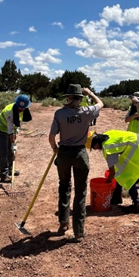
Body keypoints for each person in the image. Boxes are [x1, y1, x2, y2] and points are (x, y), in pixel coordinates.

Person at [49, 84, 103, 241]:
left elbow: (51, 137)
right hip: (80, 153)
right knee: (80, 192)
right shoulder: (86, 112)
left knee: (64, 186)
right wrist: (90, 93)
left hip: (64, 153)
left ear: (68, 97)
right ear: (80, 98)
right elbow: (101, 103)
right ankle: (79, 231)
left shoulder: (59, 113)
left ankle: (63, 222)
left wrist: (55, 149)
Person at [90, 130, 139, 214]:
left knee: (127, 175)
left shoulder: (108, 148)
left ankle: (137, 204)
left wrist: (107, 184)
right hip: (138, 140)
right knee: (120, 171)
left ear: (96, 144)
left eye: (92, 148)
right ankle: (117, 197)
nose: (94, 149)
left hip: (136, 147)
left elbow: (112, 173)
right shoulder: (106, 135)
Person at [110, 92, 139, 208]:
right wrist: (134, 114)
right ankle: (119, 193)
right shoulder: (131, 108)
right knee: (123, 165)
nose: (134, 103)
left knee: (137, 164)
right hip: (130, 141)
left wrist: (137, 105)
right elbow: (127, 120)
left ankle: (135, 184)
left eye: (137, 101)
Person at [0, 94, 32, 183]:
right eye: (20, 108)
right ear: (17, 104)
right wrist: (13, 143)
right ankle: (4, 175)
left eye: (23, 108)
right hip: (1, 128)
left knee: (11, 151)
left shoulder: (23, 109)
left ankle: (11, 169)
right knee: (4, 151)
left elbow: (16, 123)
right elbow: (10, 130)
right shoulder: (9, 111)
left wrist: (16, 131)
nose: (21, 110)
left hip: (9, 128)